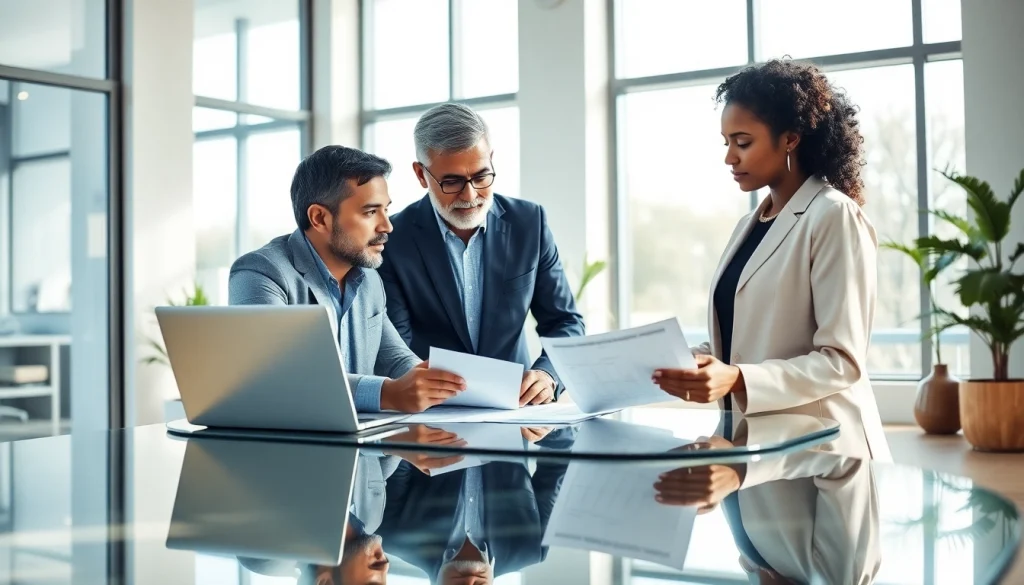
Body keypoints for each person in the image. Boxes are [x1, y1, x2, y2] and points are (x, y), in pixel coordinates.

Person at [651, 59, 890, 460]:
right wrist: (698, 361)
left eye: (743, 142)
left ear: (790, 139)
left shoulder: (833, 215)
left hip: (825, 451)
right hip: (754, 448)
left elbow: (841, 361)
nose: (730, 158)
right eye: (726, 143)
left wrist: (736, 378)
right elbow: (747, 337)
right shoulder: (748, 225)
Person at [229, 145, 467, 414]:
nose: (387, 226)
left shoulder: (370, 279)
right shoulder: (260, 272)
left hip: (362, 438)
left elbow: (397, 360)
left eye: (386, 210)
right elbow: (274, 375)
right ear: (320, 218)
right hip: (288, 438)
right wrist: (387, 393)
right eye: (370, 212)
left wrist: (453, 386)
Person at [377, 103, 585, 407]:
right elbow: (396, 346)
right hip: (433, 415)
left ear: (491, 160)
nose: (470, 195)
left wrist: (547, 374)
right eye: (451, 182)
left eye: (481, 176)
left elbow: (565, 322)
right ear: (421, 175)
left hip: (517, 412)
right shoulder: (394, 239)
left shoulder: (530, 223)